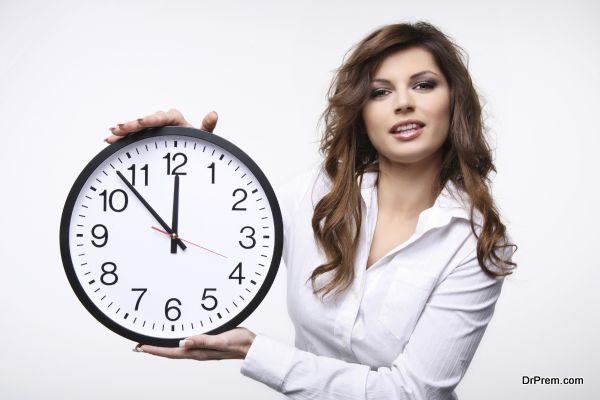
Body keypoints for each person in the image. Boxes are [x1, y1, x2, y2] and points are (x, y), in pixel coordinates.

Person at [106, 21, 517, 400]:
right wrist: (185, 154)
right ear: (362, 113)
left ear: (453, 101)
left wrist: (256, 352)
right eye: (380, 91)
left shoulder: (475, 243)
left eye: (424, 85)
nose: (404, 103)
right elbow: (215, 236)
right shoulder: (314, 195)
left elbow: (407, 393)